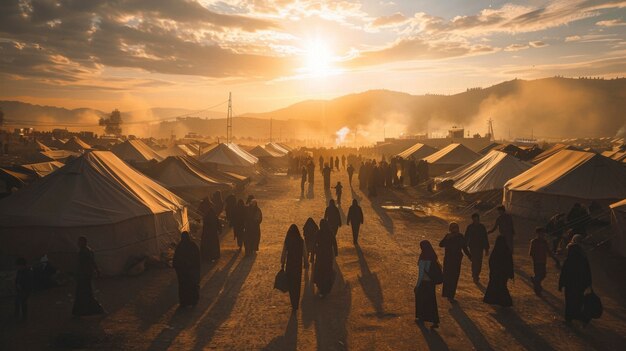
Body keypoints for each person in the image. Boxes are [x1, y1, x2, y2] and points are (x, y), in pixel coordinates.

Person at [559, 235, 592, 325]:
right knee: (578, 301)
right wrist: (588, 284)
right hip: (580, 284)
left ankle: (569, 319)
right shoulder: (583, 255)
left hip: (570, 283)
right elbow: (587, 271)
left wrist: (561, 283)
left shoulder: (570, 254)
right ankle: (581, 317)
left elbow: (565, 270)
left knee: (569, 301)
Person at [72, 236, 104, 316]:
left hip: (84, 275)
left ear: (84, 242)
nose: (78, 244)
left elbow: (90, 262)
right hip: (85, 275)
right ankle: (87, 310)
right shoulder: (86, 250)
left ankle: (92, 310)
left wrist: (96, 270)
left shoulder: (85, 251)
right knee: (85, 293)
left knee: (84, 293)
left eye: (80, 242)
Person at [439, 223, 471, 300]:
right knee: (448, 277)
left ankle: (450, 295)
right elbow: (441, 244)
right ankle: (448, 294)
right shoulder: (448, 236)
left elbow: (464, 247)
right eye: (453, 228)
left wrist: (469, 256)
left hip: (456, 261)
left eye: (456, 228)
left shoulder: (460, 236)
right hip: (449, 260)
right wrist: (447, 238)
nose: (455, 229)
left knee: (453, 277)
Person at [281, 225, 309, 310]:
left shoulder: (288, 241)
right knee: (297, 285)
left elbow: (284, 253)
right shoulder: (301, 241)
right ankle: (296, 303)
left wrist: (282, 263)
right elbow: (305, 253)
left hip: (290, 266)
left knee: (291, 285)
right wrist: (306, 263)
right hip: (298, 266)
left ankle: (293, 302)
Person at [415, 241, 440, 329]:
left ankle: (421, 317)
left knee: (421, 301)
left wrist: (417, 286)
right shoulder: (433, 256)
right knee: (432, 302)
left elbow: (421, 274)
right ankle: (435, 321)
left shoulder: (423, 258)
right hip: (431, 283)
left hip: (424, 283)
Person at [483, 235, 514, 307]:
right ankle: (504, 302)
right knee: (502, 286)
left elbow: (491, 262)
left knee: (497, 286)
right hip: (503, 274)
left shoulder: (496, 251)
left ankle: (501, 301)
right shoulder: (507, 250)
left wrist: (493, 271)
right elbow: (510, 263)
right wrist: (510, 273)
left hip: (496, 273)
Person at [173, 232, 201, 307]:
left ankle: (184, 302)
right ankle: (193, 301)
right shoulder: (193, 246)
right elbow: (197, 258)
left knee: (184, 287)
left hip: (183, 273)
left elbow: (175, 261)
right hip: (191, 271)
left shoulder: (180, 247)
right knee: (192, 286)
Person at [529, 227, 559, 296]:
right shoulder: (534, 241)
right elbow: (531, 253)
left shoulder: (544, 242)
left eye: (543, 233)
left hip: (543, 261)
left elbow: (548, 251)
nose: (542, 235)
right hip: (537, 262)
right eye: (541, 233)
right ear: (537, 234)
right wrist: (535, 259)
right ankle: (538, 291)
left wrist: (555, 259)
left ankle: (534, 280)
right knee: (539, 275)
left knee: (543, 275)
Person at [464, 213, 489, 282]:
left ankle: (476, 274)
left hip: (480, 247)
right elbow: (466, 237)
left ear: (478, 219)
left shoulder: (482, 227)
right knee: (474, 261)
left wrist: (486, 248)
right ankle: (475, 275)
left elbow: (485, 238)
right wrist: (464, 245)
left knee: (479, 262)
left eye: (476, 219)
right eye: (474, 219)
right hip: (473, 247)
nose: (475, 221)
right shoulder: (470, 227)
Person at [314, 219, 335, 298]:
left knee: (320, 271)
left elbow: (314, 244)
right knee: (327, 271)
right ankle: (325, 289)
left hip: (320, 256)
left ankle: (321, 288)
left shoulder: (318, 233)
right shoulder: (330, 233)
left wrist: (313, 254)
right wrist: (335, 253)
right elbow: (334, 243)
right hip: (328, 255)